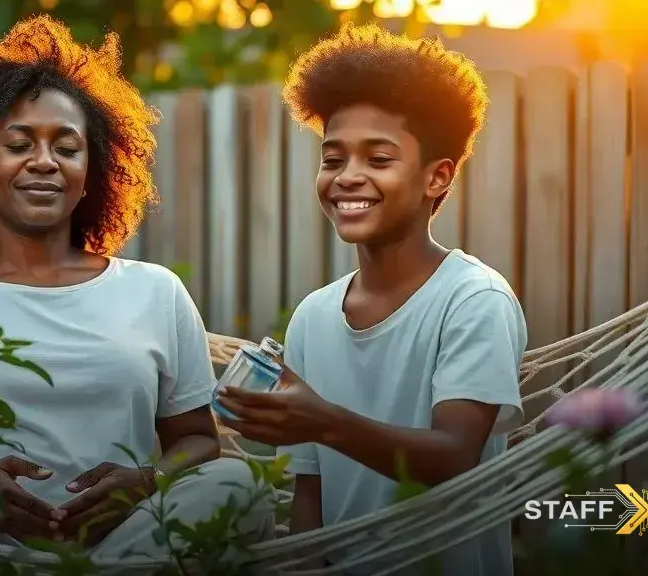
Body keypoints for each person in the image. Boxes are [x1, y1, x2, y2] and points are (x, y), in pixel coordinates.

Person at [0, 14, 273, 571]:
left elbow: (198, 442)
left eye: (67, 147)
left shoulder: (156, 293)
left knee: (238, 481)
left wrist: (146, 483)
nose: (44, 161)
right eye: (18, 143)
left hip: (128, 550)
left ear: (91, 170)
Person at [216, 23, 526, 576]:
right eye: (333, 159)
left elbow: (454, 457)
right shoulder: (313, 316)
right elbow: (309, 498)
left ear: (437, 177)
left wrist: (323, 421)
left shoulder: (473, 299)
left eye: (378, 159)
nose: (347, 177)